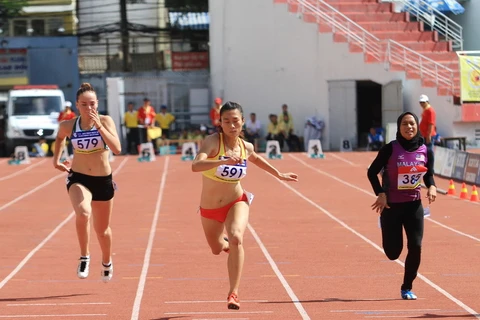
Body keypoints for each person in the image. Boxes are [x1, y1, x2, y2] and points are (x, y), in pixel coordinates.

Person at [191, 101, 298, 310]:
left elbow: (256, 158)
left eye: (235, 121)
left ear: (242, 123)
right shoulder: (213, 142)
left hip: (236, 201)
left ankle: (234, 293)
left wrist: (279, 174)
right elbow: (196, 165)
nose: (231, 125)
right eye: (226, 121)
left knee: (237, 237)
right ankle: (226, 244)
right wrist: (221, 161)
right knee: (216, 249)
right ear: (220, 123)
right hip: (210, 208)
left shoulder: (245, 146)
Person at [52, 83, 122, 283]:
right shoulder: (69, 125)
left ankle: (107, 262)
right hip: (79, 178)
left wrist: (98, 126)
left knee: (102, 231)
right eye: (84, 105)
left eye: (92, 104)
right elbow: (59, 138)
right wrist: (56, 160)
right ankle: (84, 256)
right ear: (77, 105)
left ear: (97, 104)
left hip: (102, 180)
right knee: (83, 213)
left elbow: (116, 148)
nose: (89, 108)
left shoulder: (106, 121)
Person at [367, 111, 436, 300]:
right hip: (391, 207)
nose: (409, 127)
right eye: (405, 124)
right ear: (399, 127)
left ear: (417, 126)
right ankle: (387, 233)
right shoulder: (390, 149)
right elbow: (372, 173)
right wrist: (380, 194)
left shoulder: (425, 150)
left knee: (416, 246)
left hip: (414, 205)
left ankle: (407, 287)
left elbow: (428, 174)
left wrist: (432, 187)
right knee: (392, 253)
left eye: (412, 123)